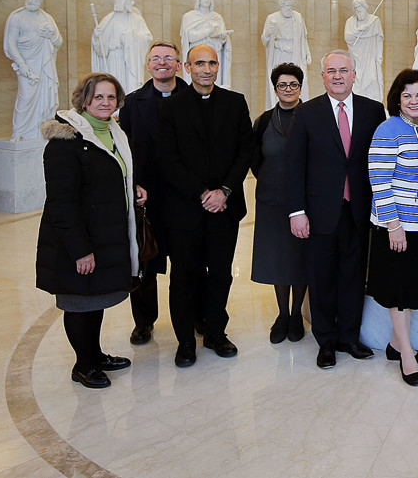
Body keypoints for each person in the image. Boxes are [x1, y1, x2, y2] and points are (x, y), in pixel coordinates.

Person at [36, 73, 144, 389]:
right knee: (78, 302)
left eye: (111, 98)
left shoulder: (114, 133)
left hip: (106, 233)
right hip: (78, 238)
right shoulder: (66, 140)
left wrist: (134, 188)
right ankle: (83, 365)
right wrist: (79, 249)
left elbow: (116, 174)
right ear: (83, 100)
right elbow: (61, 200)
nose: (105, 103)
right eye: (98, 97)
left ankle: (94, 355)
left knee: (93, 299)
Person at [286, 50, 387, 369]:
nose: (338, 76)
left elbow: (381, 162)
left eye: (344, 70)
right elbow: (294, 166)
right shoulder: (307, 113)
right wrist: (296, 211)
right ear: (323, 76)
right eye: (331, 70)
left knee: (353, 276)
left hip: (359, 210)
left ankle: (349, 337)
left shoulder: (374, 111)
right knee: (321, 278)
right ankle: (326, 340)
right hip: (318, 213)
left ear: (355, 75)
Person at [157, 44, 256, 367]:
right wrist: (202, 192)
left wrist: (224, 191)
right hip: (186, 208)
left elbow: (246, 151)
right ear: (187, 67)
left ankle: (215, 332)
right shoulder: (170, 108)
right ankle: (186, 341)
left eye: (212, 63)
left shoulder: (235, 102)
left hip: (225, 208)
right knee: (185, 276)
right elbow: (167, 159)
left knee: (221, 274)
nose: (207, 69)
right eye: (200, 63)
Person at [365, 69, 418, 386]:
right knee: (398, 290)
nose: (414, 100)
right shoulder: (388, 128)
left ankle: (396, 344)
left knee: (409, 289)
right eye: (407, 95)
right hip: (396, 227)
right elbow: (379, 180)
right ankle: (406, 354)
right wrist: (393, 225)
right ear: (397, 98)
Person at [118, 41, 190, 346]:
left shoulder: (195, 98)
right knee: (145, 260)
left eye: (168, 58)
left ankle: (193, 315)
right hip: (148, 198)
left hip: (187, 196)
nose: (162, 63)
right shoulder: (133, 103)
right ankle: (144, 321)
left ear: (178, 65)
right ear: (148, 65)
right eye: (155, 58)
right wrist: (134, 184)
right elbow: (126, 149)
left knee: (190, 263)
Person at [249, 63, 308, 345]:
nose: (288, 89)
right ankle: (282, 314)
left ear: (301, 87)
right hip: (271, 200)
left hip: (305, 202)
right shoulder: (263, 121)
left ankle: (297, 314)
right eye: (283, 85)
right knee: (276, 259)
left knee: (300, 258)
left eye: (293, 84)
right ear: (275, 89)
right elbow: (255, 159)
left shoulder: (312, 116)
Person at [3, 0, 63, 141]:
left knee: (46, 97)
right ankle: (19, 131)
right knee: (26, 97)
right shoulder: (17, 17)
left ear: (40, 0)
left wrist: (51, 35)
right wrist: (22, 64)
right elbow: (11, 43)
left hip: (45, 65)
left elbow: (58, 41)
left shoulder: (47, 18)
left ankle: (44, 130)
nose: (30, 1)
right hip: (27, 65)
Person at [91, 0, 153, 105]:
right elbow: (100, 48)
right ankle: (114, 108)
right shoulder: (109, 20)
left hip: (131, 58)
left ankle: (130, 107)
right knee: (115, 83)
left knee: (130, 85)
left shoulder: (137, 19)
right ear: (122, 2)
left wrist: (132, 36)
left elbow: (147, 37)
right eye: (130, 0)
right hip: (114, 57)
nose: (133, 3)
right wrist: (96, 35)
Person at [262, 0, 311, 110]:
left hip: (295, 53)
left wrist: (307, 54)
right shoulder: (272, 18)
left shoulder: (298, 17)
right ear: (281, 6)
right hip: (279, 53)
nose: (288, 8)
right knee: (280, 79)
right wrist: (269, 31)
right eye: (286, 5)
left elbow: (302, 39)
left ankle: (301, 108)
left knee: (298, 78)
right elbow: (264, 40)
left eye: (290, 5)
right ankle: (277, 107)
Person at [180, 0, 232, 88]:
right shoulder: (190, 16)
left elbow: (223, 40)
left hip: (214, 50)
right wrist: (208, 31)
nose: (206, 0)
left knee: (212, 72)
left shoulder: (217, 17)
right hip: (196, 51)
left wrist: (222, 37)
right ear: (198, 0)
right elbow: (190, 36)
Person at [344, 0, 384, 102]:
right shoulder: (350, 22)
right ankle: (357, 103)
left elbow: (379, 40)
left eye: (360, 7)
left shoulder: (374, 20)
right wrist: (359, 30)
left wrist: (379, 55)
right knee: (356, 80)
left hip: (370, 55)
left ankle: (374, 103)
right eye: (356, 8)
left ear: (365, 6)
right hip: (356, 56)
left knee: (372, 78)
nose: (358, 10)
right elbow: (347, 38)